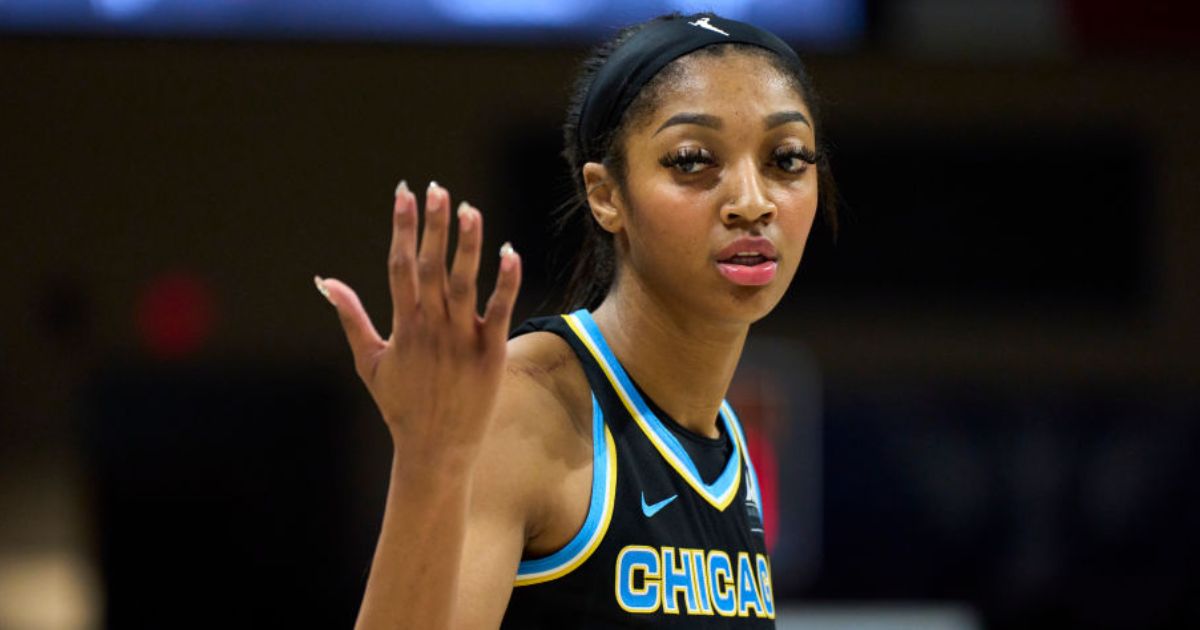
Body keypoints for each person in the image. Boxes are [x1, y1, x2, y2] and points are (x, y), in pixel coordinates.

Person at [315, 11, 835, 629]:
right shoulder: (520, 405)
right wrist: (431, 463)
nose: (752, 201)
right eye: (693, 160)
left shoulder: (725, 443)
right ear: (606, 195)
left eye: (787, 158)